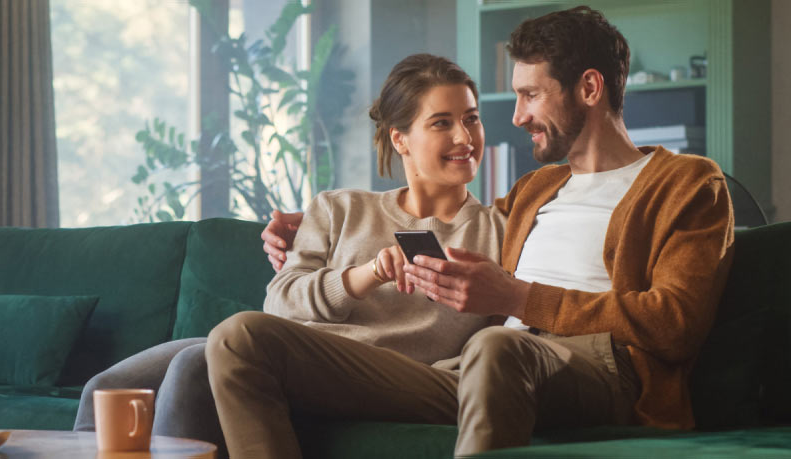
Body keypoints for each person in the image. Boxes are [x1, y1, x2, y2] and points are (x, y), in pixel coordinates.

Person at [221, 6, 735, 458]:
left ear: (590, 88)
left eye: (531, 95)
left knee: (495, 347)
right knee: (241, 337)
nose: (516, 116)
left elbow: (675, 322)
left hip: (599, 370)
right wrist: (300, 228)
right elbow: (450, 213)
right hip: (476, 372)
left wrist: (518, 297)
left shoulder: (687, 184)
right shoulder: (534, 192)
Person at [74, 54, 506, 457]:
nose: (464, 137)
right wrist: (366, 274)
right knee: (104, 389)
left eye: (471, 119)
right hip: (285, 346)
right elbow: (279, 301)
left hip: (382, 373)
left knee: (193, 365)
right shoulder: (339, 208)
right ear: (401, 139)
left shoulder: (500, 229)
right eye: (442, 123)